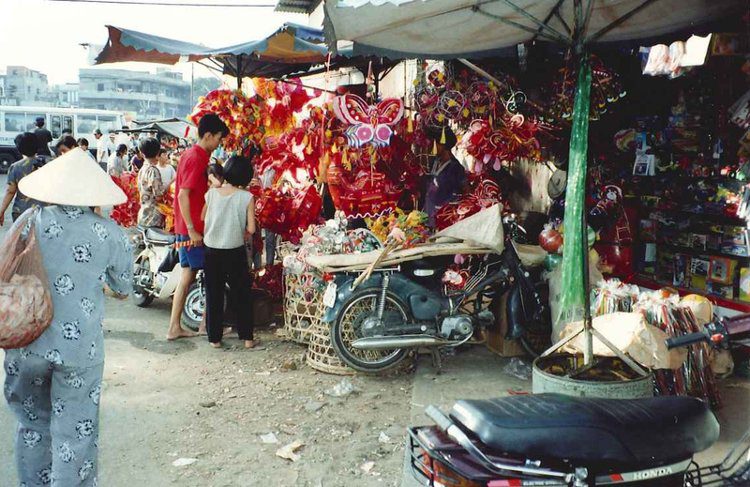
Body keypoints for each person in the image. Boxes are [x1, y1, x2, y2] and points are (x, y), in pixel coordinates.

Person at [4, 147, 131, 486]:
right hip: (80, 351)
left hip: (27, 341)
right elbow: (123, 286)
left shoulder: (28, 220)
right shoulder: (109, 232)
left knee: (33, 425)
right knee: (76, 432)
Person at [167, 113, 228, 341]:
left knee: (189, 276)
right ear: (209, 135)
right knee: (209, 274)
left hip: (186, 225)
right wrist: (192, 228)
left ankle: (178, 326)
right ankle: (203, 325)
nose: (219, 144)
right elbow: (183, 194)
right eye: (219, 139)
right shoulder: (197, 157)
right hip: (191, 228)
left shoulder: (190, 154)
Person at [202, 155, 256, 349]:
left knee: (214, 294)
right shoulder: (247, 198)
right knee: (242, 294)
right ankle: (248, 338)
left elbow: (203, 217)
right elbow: (251, 229)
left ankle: (215, 339)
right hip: (234, 250)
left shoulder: (211, 194)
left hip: (211, 250)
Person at [422, 126, 466, 227]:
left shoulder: (455, 168)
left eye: (434, 143)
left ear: (442, 144)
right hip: (428, 216)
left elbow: (465, 192)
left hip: (443, 221)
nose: (431, 146)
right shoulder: (436, 162)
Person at [0, 132, 45, 225]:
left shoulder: (15, 167)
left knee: (22, 239)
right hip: (44, 211)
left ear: (19, 149)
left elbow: (10, 191)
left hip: (22, 212)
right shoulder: (49, 162)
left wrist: (2, 211)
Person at [136, 138, 165, 228]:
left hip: (143, 215)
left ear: (142, 153)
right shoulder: (153, 171)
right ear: (157, 153)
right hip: (152, 218)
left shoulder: (143, 169)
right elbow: (159, 196)